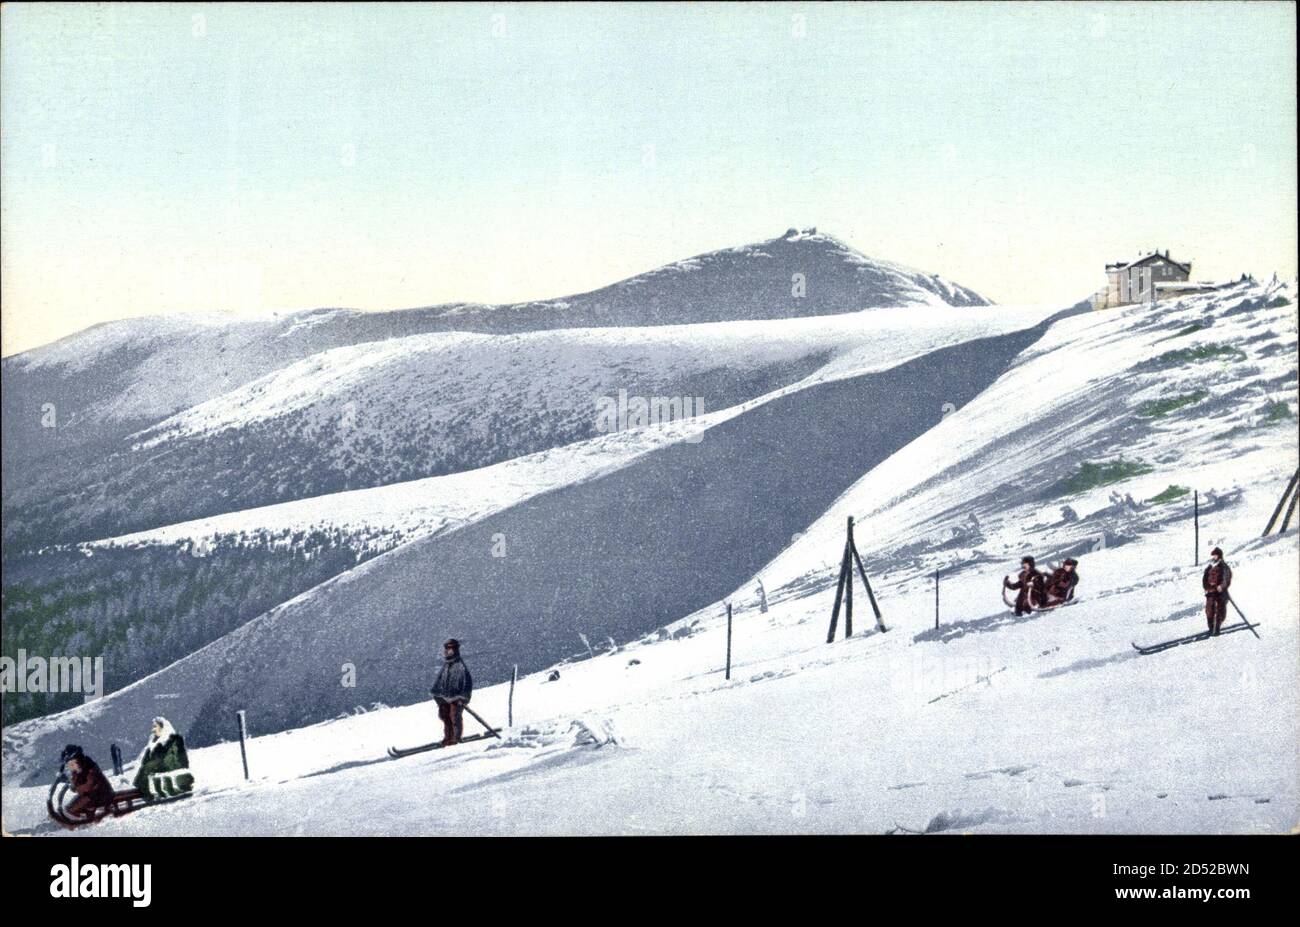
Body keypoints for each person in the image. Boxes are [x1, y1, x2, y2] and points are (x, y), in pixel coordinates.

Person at [133, 716, 194, 800]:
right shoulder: (154, 741)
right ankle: (142, 789)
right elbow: (147, 758)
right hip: (161, 765)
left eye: (155, 727)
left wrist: (154, 764)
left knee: (147, 768)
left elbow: (175, 758)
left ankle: (146, 791)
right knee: (145, 768)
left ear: (162, 727)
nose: (153, 730)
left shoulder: (174, 739)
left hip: (173, 765)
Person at [430, 638, 473, 746]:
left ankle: (455, 738)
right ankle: (448, 737)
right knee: (445, 715)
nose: (446, 651)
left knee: (454, 716)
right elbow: (440, 681)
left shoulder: (459, 666)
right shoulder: (447, 665)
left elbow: (465, 682)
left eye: (449, 648)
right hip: (446, 698)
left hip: (456, 699)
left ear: (454, 649)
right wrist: (437, 693)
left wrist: (462, 697)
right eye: (446, 648)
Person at [60, 744, 115, 820]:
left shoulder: (88, 766)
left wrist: (76, 787)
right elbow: (78, 785)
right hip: (93, 795)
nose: (69, 766)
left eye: (70, 763)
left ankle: (80, 822)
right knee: (70, 807)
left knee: (70, 810)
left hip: (101, 795)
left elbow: (89, 785)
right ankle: (82, 819)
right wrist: (72, 784)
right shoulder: (79, 768)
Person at [1202, 547, 1233, 635]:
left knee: (1220, 610)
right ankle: (1211, 628)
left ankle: (1217, 628)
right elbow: (1204, 578)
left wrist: (1221, 586)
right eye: (1213, 555)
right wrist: (1206, 587)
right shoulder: (1209, 567)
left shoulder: (1223, 566)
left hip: (1220, 592)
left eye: (1215, 555)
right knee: (1209, 610)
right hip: (1211, 591)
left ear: (1219, 556)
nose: (1214, 557)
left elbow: (1226, 578)